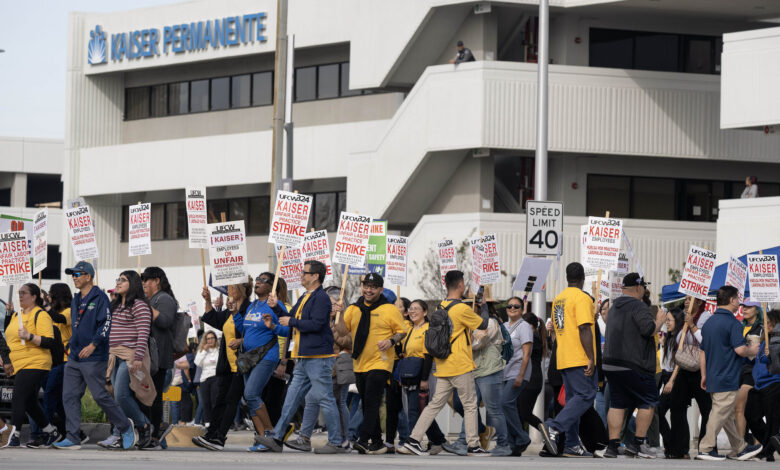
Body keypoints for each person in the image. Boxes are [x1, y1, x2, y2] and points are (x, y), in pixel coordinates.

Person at [256, 260, 348, 454]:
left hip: (318, 357)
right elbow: (290, 317)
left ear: (315, 276)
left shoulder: (321, 298)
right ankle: (277, 438)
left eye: (305, 273)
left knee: (325, 398)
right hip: (304, 356)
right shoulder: (307, 296)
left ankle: (335, 442)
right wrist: (276, 308)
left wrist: (292, 320)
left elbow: (316, 324)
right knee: (291, 398)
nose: (302, 275)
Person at [400, 270, 489, 456]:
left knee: (434, 404)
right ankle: (473, 445)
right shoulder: (462, 309)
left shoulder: (440, 307)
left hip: (443, 365)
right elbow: (483, 324)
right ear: (461, 285)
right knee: (470, 404)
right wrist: (484, 305)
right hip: (460, 364)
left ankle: (413, 440)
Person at [54, 261, 137, 450]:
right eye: (72, 274)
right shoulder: (76, 299)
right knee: (69, 396)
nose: (74, 277)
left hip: (94, 355)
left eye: (77, 274)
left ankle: (125, 427)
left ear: (88, 277)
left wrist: (93, 344)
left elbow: (106, 324)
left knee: (100, 395)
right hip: (75, 356)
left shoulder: (100, 298)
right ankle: (73, 437)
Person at [596, 273, 666, 459]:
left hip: (612, 364)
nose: (644, 290)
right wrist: (659, 320)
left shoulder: (614, 306)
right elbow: (648, 329)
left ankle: (612, 446)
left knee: (617, 403)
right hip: (635, 364)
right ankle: (636, 444)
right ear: (638, 288)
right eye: (643, 286)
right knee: (648, 401)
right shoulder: (639, 306)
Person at [334, 273, 406, 454]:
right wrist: (340, 313)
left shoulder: (390, 309)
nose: (368, 290)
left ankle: (363, 439)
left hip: (381, 362)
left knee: (372, 400)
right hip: (359, 362)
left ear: (380, 290)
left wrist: (390, 341)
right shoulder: (354, 308)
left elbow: (401, 331)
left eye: (373, 287)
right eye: (366, 286)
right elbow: (343, 332)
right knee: (366, 403)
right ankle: (377, 442)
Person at [695, 285, 763, 461]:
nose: (739, 303)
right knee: (720, 413)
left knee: (725, 414)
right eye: (738, 299)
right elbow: (740, 350)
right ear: (732, 300)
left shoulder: (708, 322)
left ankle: (739, 448)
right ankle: (705, 447)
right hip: (727, 375)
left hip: (711, 375)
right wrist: (753, 350)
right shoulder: (733, 323)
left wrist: (703, 374)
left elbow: (702, 351)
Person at [286, 285, 353, 452]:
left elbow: (349, 341)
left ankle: (342, 440)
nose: (331, 306)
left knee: (339, 402)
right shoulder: (320, 318)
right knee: (312, 399)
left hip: (338, 367)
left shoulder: (344, 319)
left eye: (334, 302)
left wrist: (333, 327)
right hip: (320, 366)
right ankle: (306, 437)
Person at [541, 262, 597, 458]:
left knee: (573, 400)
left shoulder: (558, 299)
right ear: (583, 278)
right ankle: (553, 427)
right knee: (586, 395)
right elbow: (583, 329)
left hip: (563, 357)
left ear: (567, 278)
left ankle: (572, 444)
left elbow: (558, 329)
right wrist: (590, 357)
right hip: (579, 357)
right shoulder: (583, 298)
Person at [192, 280, 254, 451]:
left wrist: (241, 340)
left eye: (231, 287)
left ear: (241, 289)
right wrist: (207, 300)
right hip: (226, 365)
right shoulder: (229, 311)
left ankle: (220, 438)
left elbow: (256, 332)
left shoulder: (250, 308)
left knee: (231, 401)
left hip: (242, 365)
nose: (228, 290)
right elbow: (212, 318)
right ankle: (211, 434)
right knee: (220, 400)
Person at [234, 272, 287, 448]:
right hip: (249, 358)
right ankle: (263, 439)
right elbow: (246, 329)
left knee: (251, 394)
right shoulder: (254, 305)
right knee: (250, 399)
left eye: (263, 280)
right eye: (257, 279)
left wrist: (272, 326)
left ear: (271, 286)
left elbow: (289, 331)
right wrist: (235, 314)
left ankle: (272, 434)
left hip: (266, 357)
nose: (257, 282)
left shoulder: (275, 305)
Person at [4, 283, 60, 448]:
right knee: (28, 402)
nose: (20, 296)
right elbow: (9, 335)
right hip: (18, 363)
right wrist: (8, 314)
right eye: (19, 293)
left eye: (24, 293)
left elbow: (50, 341)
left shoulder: (41, 315)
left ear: (34, 297)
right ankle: (51, 432)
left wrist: (29, 336)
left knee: (18, 396)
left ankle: (14, 435)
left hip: (35, 362)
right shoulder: (17, 315)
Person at [104, 270, 155, 449]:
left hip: (131, 356)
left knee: (122, 395)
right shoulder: (115, 306)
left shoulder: (140, 305)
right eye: (118, 279)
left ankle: (143, 424)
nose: (118, 282)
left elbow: (143, 334)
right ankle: (126, 431)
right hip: (115, 356)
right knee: (116, 398)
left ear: (132, 284)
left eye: (123, 280)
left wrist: (138, 358)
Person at [397, 300, 447, 453]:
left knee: (415, 409)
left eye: (416, 309)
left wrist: (424, 379)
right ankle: (439, 440)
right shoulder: (411, 329)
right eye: (410, 309)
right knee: (420, 409)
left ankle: (412, 443)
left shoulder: (427, 329)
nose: (412, 311)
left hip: (422, 372)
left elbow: (428, 356)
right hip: (410, 372)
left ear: (425, 312)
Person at [140, 266, 178, 449]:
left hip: (159, 357)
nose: (144, 284)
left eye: (146, 280)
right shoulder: (150, 299)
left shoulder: (164, 299)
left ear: (156, 281)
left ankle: (155, 434)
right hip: (147, 356)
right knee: (146, 396)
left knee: (153, 398)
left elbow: (165, 321)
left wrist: (146, 306)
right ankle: (155, 430)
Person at [501, 297, 535, 456]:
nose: (512, 308)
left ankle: (522, 437)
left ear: (521, 309)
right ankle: (512, 445)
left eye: (516, 306)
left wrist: (521, 375)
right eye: (509, 306)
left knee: (505, 403)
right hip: (504, 373)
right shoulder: (504, 326)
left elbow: (526, 354)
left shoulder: (524, 326)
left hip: (518, 372)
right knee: (506, 407)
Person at [658, 308, 689, 459]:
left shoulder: (680, 338)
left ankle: (680, 448)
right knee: (666, 413)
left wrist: (671, 381)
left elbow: (679, 362)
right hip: (667, 377)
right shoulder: (669, 338)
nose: (667, 322)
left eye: (670, 320)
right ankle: (673, 445)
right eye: (667, 320)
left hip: (675, 378)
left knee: (678, 414)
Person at [735, 300, 765, 452]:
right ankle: (746, 444)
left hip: (754, 371)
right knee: (743, 409)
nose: (744, 309)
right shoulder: (738, 326)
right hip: (737, 370)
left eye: (748, 307)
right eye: (743, 306)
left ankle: (747, 446)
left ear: (757, 309)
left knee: (741, 407)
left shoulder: (763, 328)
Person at [515, 309, 548, 436]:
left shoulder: (533, 338)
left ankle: (547, 431)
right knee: (520, 412)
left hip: (531, 380)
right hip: (531, 379)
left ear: (531, 326)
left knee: (524, 413)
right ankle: (519, 442)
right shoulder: (534, 336)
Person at [754, 309, 780, 460]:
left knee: (772, 420)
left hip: (774, 382)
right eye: (766, 323)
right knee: (751, 414)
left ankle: (767, 450)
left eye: (769, 323)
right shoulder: (765, 340)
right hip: (759, 384)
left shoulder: (776, 340)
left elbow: (772, 362)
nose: (767, 326)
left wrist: (770, 355)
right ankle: (770, 444)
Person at [194, 331, 219, 426]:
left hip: (216, 377)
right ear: (205, 340)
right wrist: (204, 350)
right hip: (204, 379)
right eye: (208, 338)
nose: (210, 340)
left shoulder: (219, 349)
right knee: (205, 402)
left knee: (214, 401)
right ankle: (208, 423)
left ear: (215, 339)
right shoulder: (202, 351)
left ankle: (215, 423)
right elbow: (197, 363)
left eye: (212, 338)